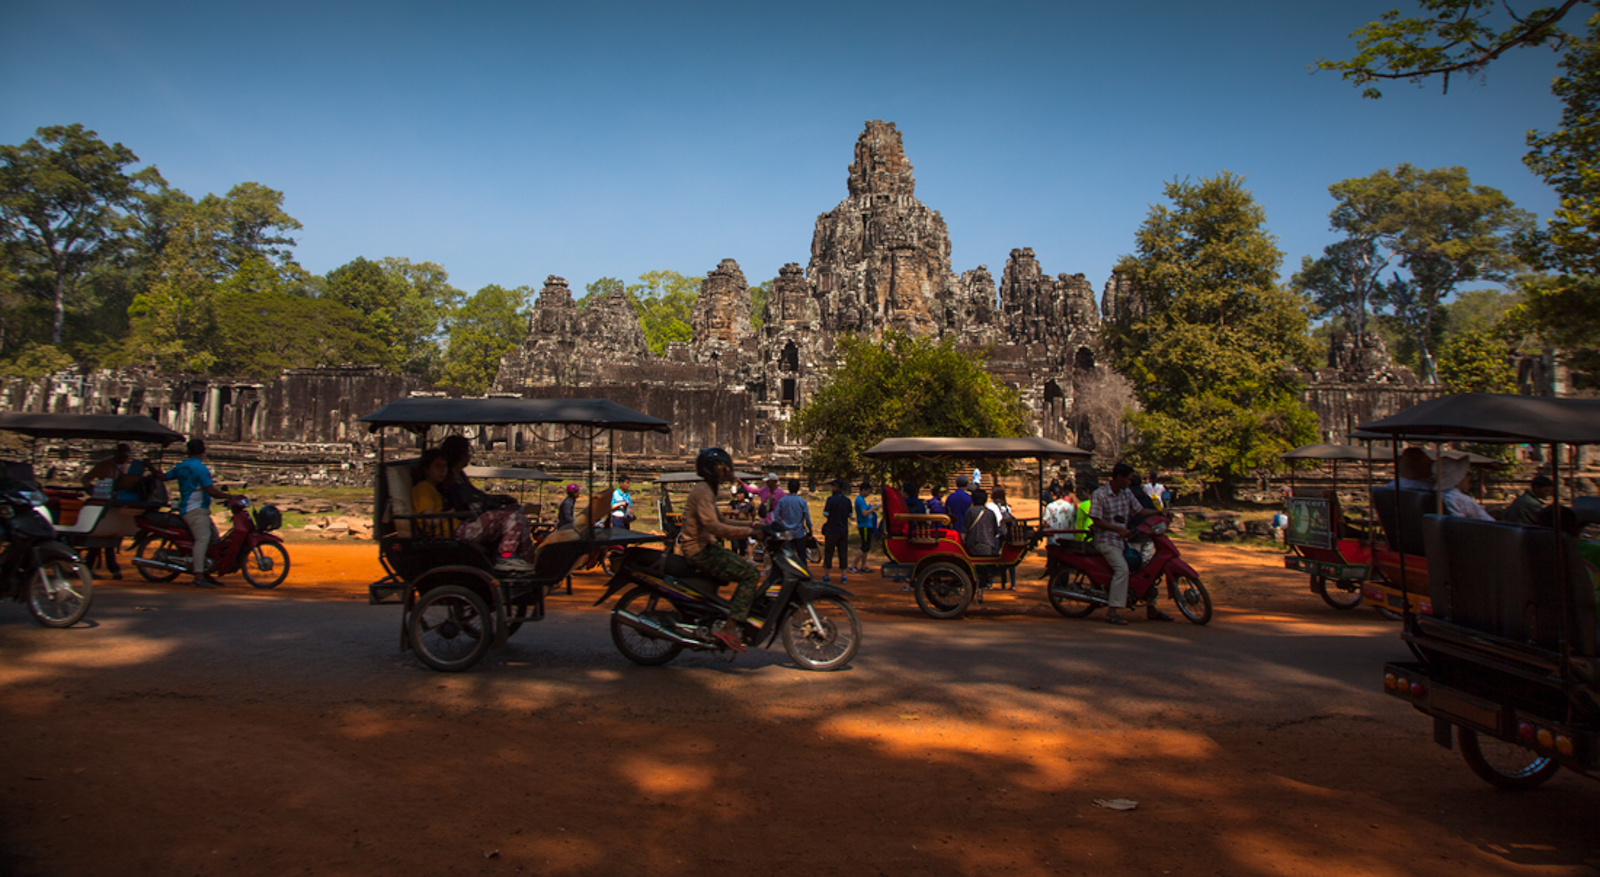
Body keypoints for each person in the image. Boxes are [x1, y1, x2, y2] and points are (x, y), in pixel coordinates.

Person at [681, 448, 761, 652]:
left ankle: (722, 616)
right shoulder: (704, 492)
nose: (725, 474)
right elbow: (715, 527)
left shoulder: (706, 489)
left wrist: (752, 526)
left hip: (705, 546)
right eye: (721, 469)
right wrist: (748, 534)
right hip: (699, 550)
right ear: (711, 471)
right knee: (750, 573)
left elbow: (721, 520)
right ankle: (730, 626)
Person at [438, 435, 535, 572]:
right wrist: (491, 503)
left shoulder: (459, 475)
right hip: (462, 525)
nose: (469, 456)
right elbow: (467, 502)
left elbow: (477, 496)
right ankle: (507, 555)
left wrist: (499, 499)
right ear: (460, 454)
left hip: (471, 519)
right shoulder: (448, 478)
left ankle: (526, 558)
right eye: (467, 452)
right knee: (512, 516)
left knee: (517, 510)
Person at [1090, 462, 1169, 625]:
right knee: (1122, 569)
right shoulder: (1100, 494)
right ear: (1118, 477)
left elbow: (1139, 511)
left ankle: (1151, 608)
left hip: (1124, 540)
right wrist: (1117, 530)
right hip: (1106, 541)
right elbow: (1097, 520)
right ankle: (1112, 611)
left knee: (1145, 569)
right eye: (1127, 479)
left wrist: (1159, 512)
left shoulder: (1126, 493)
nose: (1130, 482)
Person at [162, 438, 232, 588]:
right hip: (195, 509)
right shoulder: (201, 468)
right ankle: (199, 576)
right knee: (203, 539)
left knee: (214, 539)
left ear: (188, 451)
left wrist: (150, 467)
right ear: (203, 451)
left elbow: (163, 477)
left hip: (191, 509)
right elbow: (210, 490)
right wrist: (229, 496)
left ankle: (207, 571)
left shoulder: (181, 466)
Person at [80, 443, 144, 578]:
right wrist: (90, 488)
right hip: (102, 503)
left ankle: (110, 567)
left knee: (112, 535)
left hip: (117, 504)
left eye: (126, 456)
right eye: (122, 456)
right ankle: (108, 568)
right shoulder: (104, 465)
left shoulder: (128, 466)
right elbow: (85, 478)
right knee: (101, 535)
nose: (124, 459)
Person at [410, 448, 453, 537]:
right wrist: (451, 513)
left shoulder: (437, 488)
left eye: (444, 466)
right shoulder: (423, 488)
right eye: (437, 466)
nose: (442, 470)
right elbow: (430, 520)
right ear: (426, 469)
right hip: (445, 534)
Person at [1438, 456, 1494, 522]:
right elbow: (1488, 521)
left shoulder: (1437, 495)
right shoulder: (1460, 499)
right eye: (1467, 474)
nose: (1470, 478)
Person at [821, 479, 852, 584]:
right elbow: (850, 515)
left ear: (836, 487)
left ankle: (826, 575)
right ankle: (844, 575)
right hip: (843, 530)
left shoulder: (830, 500)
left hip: (832, 529)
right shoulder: (847, 501)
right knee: (843, 552)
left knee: (829, 552)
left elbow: (825, 514)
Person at [775, 478, 812, 558]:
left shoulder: (782, 501)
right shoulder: (802, 502)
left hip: (786, 533)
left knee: (786, 557)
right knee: (802, 556)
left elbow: (776, 517)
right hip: (798, 533)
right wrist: (810, 531)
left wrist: (779, 528)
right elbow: (807, 519)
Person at [990, 485, 1017, 587]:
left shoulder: (991, 506)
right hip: (1006, 534)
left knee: (994, 558)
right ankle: (1013, 584)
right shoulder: (1006, 507)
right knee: (1009, 559)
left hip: (996, 534)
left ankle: (991, 583)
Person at [850, 483, 878, 573]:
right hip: (864, 526)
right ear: (863, 490)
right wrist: (873, 508)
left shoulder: (861, 500)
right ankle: (853, 565)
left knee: (867, 546)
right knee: (864, 546)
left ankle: (864, 565)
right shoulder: (860, 500)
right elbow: (864, 513)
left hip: (867, 525)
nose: (868, 493)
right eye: (868, 491)